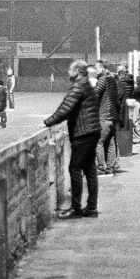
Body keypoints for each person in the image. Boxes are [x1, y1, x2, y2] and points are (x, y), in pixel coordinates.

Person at [43, 60, 101, 219]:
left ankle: (76, 208)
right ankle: (91, 208)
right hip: (93, 131)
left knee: (74, 168)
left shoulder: (78, 86)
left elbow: (65, 108)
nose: (68, 72)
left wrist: (48, 121)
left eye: (70, 70)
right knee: (90, 170)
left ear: (77, 71)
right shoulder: (87, 84)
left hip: (83, 132)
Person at [92, 60, 120, 176]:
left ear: (103, 68)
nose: (95, 70)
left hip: (104, 116)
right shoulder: (113, 79)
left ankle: (101, 168)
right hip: (113, 116)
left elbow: (95, 93)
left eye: (96, 68)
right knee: (111, 142)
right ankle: (110, 168)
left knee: (98, 142)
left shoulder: (103, 79)